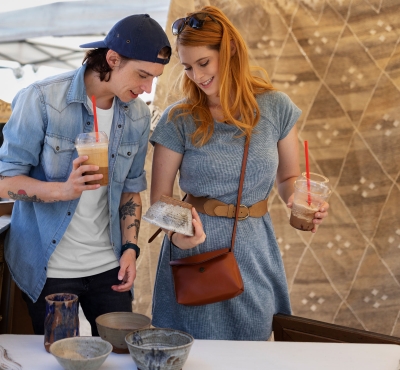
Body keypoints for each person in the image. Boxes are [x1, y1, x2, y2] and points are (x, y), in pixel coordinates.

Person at [149, 6, 329, 340]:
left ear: (230, 50)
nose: (197, 76)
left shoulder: (276, 107)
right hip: (193, 258)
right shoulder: (178, 118)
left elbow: (289, 180)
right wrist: (177, 235)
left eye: (204, 63)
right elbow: (160, 201)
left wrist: (299, 203)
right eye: (187, 67)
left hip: (254, 251)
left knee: (252, 351)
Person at [0, 14, 171, 336]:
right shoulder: (41, 99)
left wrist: (131, 249)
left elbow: (130, 190)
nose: (148, 89)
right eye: (142, 75)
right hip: (48, 267)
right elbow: (4, 181)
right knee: (61, 356)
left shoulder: (136, 115)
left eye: (154, 79)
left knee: (121, 353)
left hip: (109, 266)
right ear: (112, 59)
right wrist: (62, 190)